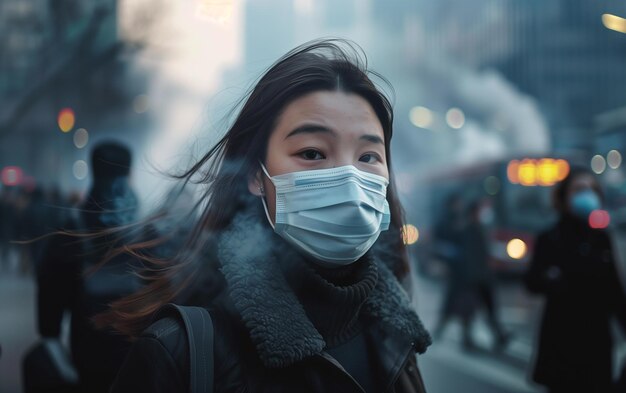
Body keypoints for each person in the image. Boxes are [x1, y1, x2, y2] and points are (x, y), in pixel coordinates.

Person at [106, 39, 432, 392]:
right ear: (256, 176)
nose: (350, 179)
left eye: (368, 157)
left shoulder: (398, 338)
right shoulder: (179, 352)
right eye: (312, 152)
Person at [36, 141, 143, 393]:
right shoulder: (142, 228)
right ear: (129, 173)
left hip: (87, 345)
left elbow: (49, 293)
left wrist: (49, 334)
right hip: (137, 345)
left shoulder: (72, 227)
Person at [524, 167, 626, 393]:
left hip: (597, 341)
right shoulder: (549, 238)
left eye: (592, 189)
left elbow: (614, 291)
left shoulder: (601, 239)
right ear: (564, 197)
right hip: (561, 342)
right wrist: (554, 280)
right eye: (579, 189)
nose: (587, 194)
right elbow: (532, 282)